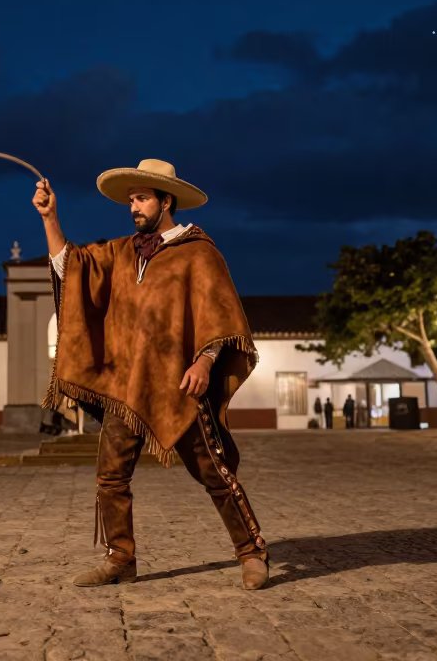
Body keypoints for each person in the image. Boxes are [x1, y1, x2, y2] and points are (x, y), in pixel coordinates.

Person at [33, 158, 269, 591]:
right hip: (127, 387)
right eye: (130, 200)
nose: (133, 207)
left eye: (141, 198)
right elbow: (72, 266)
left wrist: (205, 361)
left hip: (179, 386)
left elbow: (216, 313)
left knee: (214, 474)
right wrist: (50, 217)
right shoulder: (122, 252)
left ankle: (251, 552)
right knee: (110, 475)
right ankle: (120, 558)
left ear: (166, 201)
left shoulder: (198, 252)